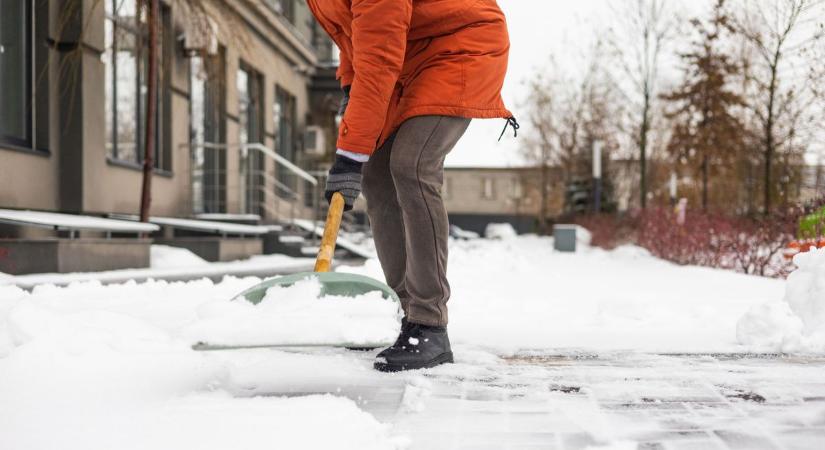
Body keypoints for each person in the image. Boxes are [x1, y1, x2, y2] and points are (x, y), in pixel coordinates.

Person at [307, 0, 516, 372]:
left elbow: (378, 58)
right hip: (408, 52)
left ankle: (429, 323)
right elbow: (353, 38)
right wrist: (350, 86)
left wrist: (349, 156)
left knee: (412, 164)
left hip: (460, 46)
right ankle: (409, 318)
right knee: (377, 175)